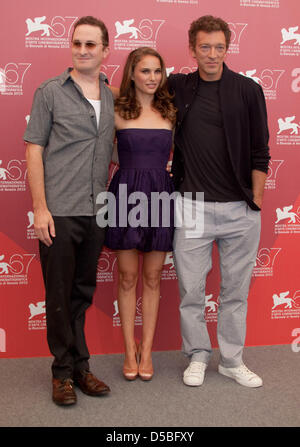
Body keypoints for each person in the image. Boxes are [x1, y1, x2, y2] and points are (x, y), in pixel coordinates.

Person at [168, 15, 270, 387]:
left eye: (219, 47)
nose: (212, 54)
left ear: (228, 48)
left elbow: (261, 150)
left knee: (235, 293)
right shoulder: (178, 86)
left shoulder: (247, 89)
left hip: (239, 210)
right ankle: (197, 355)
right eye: (205, 47)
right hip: (192, 206)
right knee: (191, 291)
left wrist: (254, 200)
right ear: (192, 49)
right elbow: (136, 90)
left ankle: (231, 359)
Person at [24, 16, 115, 406]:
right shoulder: (49, 92)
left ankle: (80, 367)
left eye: (91, 45)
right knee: (59, 295)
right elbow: (33, 149)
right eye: (77, 43)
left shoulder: (112, 95)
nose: (82, 50)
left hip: (96, 211)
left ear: (105, 51)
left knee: (81, 293)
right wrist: (40, 208)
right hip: (58, 210)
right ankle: (61, 372)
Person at [104, 47, 176, 381]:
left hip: (161, 195)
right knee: (128, 277)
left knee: (152, 277)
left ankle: (146, 353)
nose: (151, 78)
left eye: (157, 71)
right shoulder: (116, 109)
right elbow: (98, 85)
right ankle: (127, 350)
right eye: (144, 71)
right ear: (132, 73)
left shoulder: (171, 111)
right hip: (124, 196)